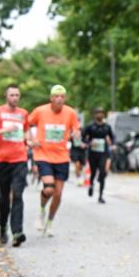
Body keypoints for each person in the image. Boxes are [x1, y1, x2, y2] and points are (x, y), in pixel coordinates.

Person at [27, 84, 82, 237]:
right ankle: (41, 211)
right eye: (56, 96)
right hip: (43, 155)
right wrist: (30, 141)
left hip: (62, 157)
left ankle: (49, 223)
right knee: (49, 189)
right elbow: (26, 124)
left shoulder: (70, 112)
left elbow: (76, 128)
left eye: (62, 97)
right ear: (51, 98)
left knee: (58, 194)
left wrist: (76, 133)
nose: (59, 99)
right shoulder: (40, 111)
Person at [0, 84, 30, 246]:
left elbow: (25, 132)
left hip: (20, 159)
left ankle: (17, 232)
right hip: (2, 160)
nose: (15, 98)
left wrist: (30, 141)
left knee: (17, 194)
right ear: (6, 95)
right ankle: (3, 225)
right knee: (4, 198)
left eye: (17, 95)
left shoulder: (23, 113)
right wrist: (3, 130)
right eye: (12, 95)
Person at [82, 107, 114, 203]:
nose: (100, 115)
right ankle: (91, 185)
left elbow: (113, 137)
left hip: (103, 152)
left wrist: (113, 144)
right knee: (93, 172)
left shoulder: (107, 127)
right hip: (93, 153)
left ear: (103, 115)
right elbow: (83, 137)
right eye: (98, 113)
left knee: (103, 172)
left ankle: (100, 196)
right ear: (95, 115)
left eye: (101, 113)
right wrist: (88, 143)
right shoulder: (90, 126)